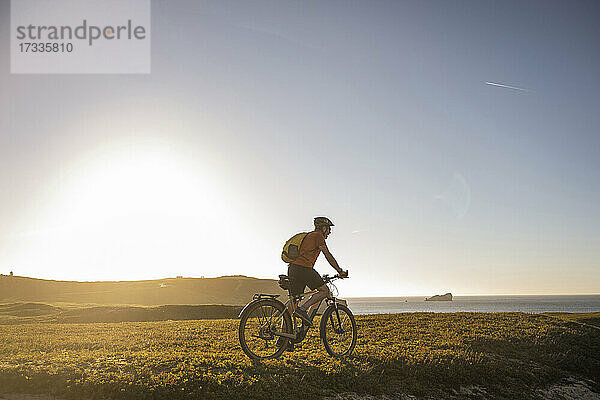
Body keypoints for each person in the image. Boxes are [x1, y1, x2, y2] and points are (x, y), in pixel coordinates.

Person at [288, 217, 347, 326]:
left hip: (293, 268)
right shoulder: (318, 236)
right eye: (329, 229)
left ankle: (283, 338)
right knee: (325, 291)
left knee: (294, 302)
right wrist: (339, 271)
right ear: (323, 228)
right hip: (304, 268)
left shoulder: (309, 236)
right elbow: (327, 255)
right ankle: (303, 309)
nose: (329, 232)